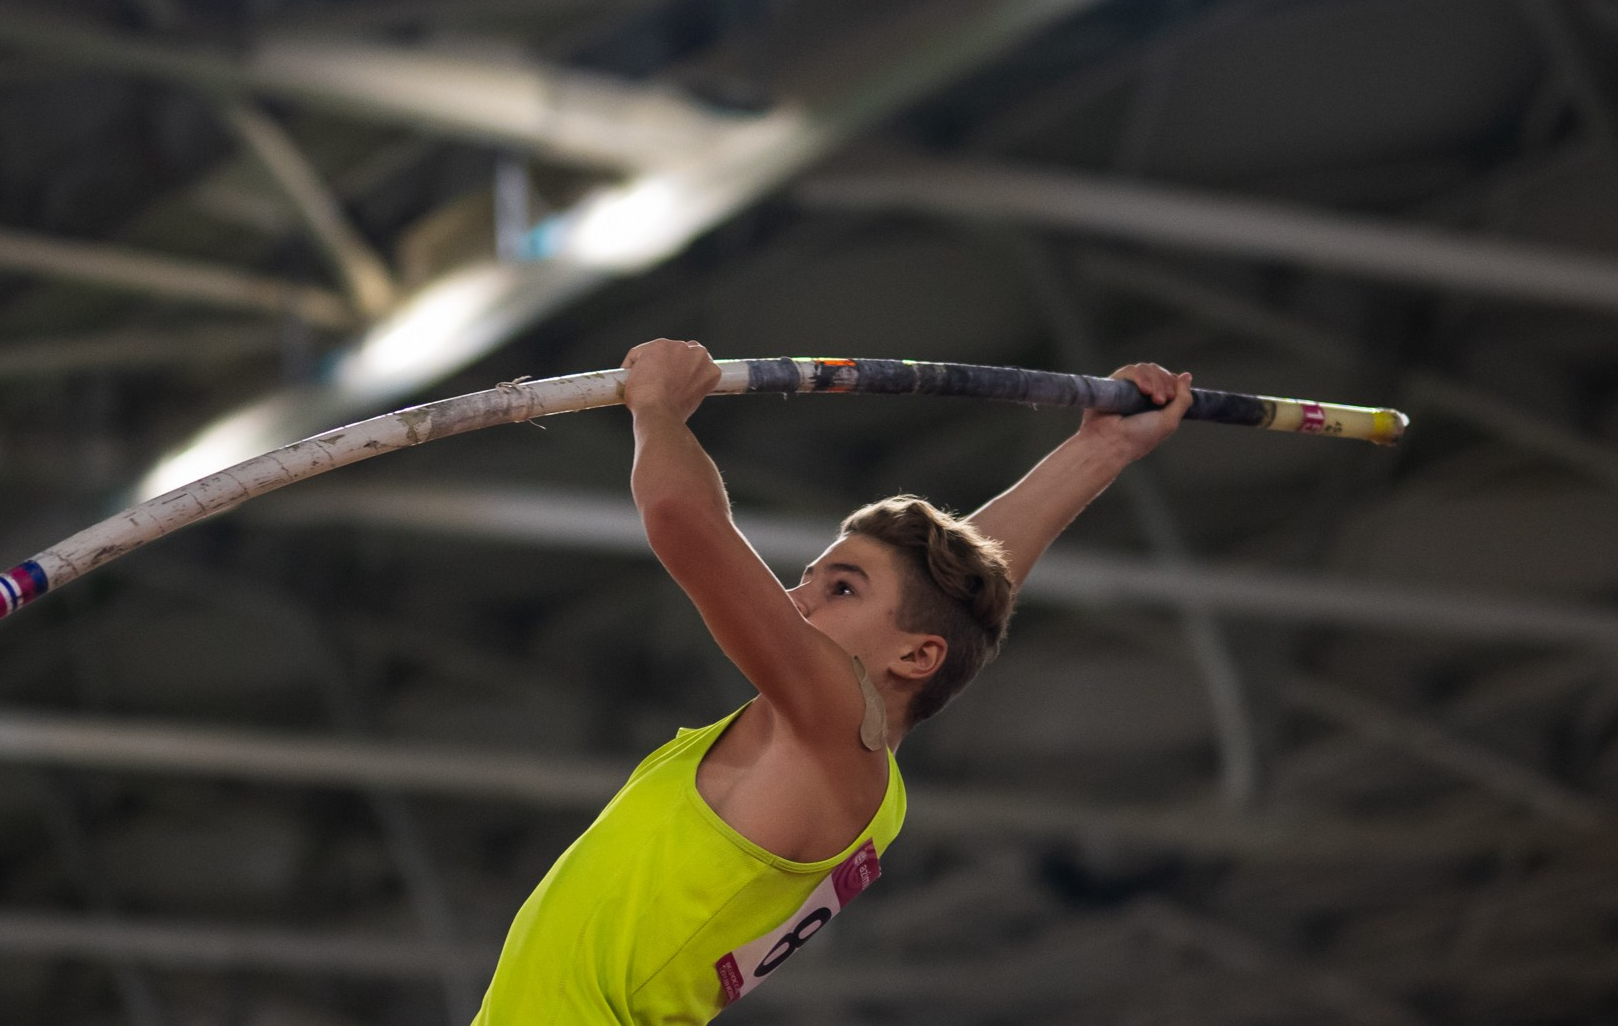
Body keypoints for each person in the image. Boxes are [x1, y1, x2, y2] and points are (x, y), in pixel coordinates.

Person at [468, 338, 1196, 1024]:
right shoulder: (849, 749)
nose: (793, 598)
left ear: (915, 658)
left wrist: (659, 406)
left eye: (841, 589)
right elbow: (967, 589)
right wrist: (1100, 448)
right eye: (809, 576)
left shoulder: (837, 728)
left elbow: (679, 515)